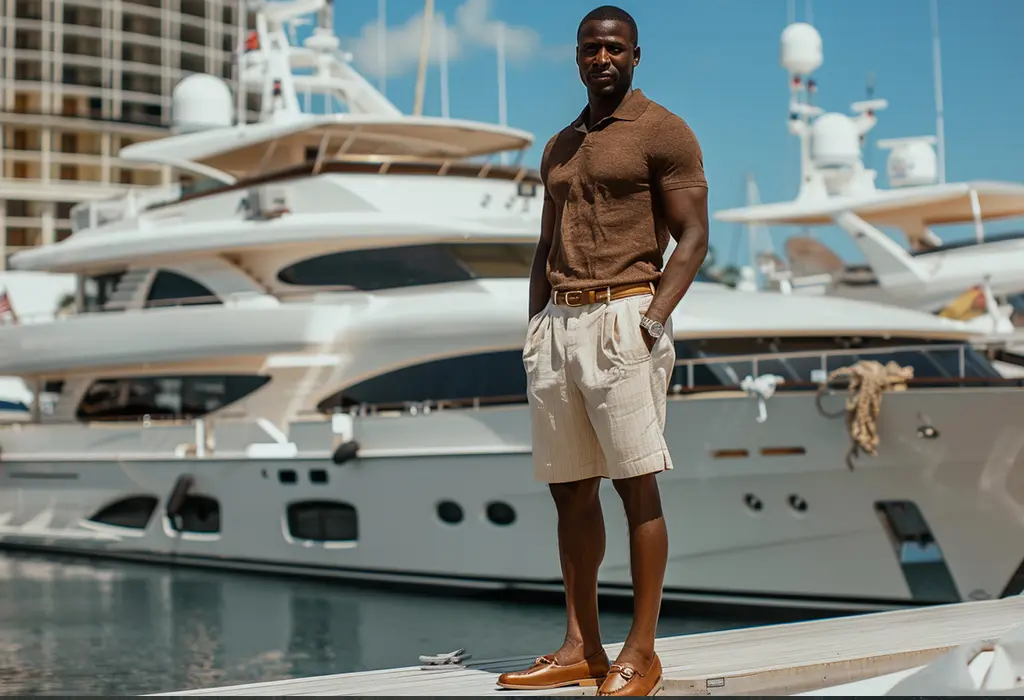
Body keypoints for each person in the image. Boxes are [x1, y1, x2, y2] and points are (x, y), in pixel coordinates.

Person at [496, 4, 709, 697]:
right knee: (569, 491)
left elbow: (694, 236)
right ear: (577, 56)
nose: (602, 58)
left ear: (636, 55)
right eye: (591, 48)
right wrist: (535, 328)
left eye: (615, 48)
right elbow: (543, 245)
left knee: (635, 484)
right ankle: (582, 646)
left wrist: (651, 319)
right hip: (559, 322)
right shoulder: (559, 145)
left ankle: (641, 652)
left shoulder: (663, 131)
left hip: (625, 315)